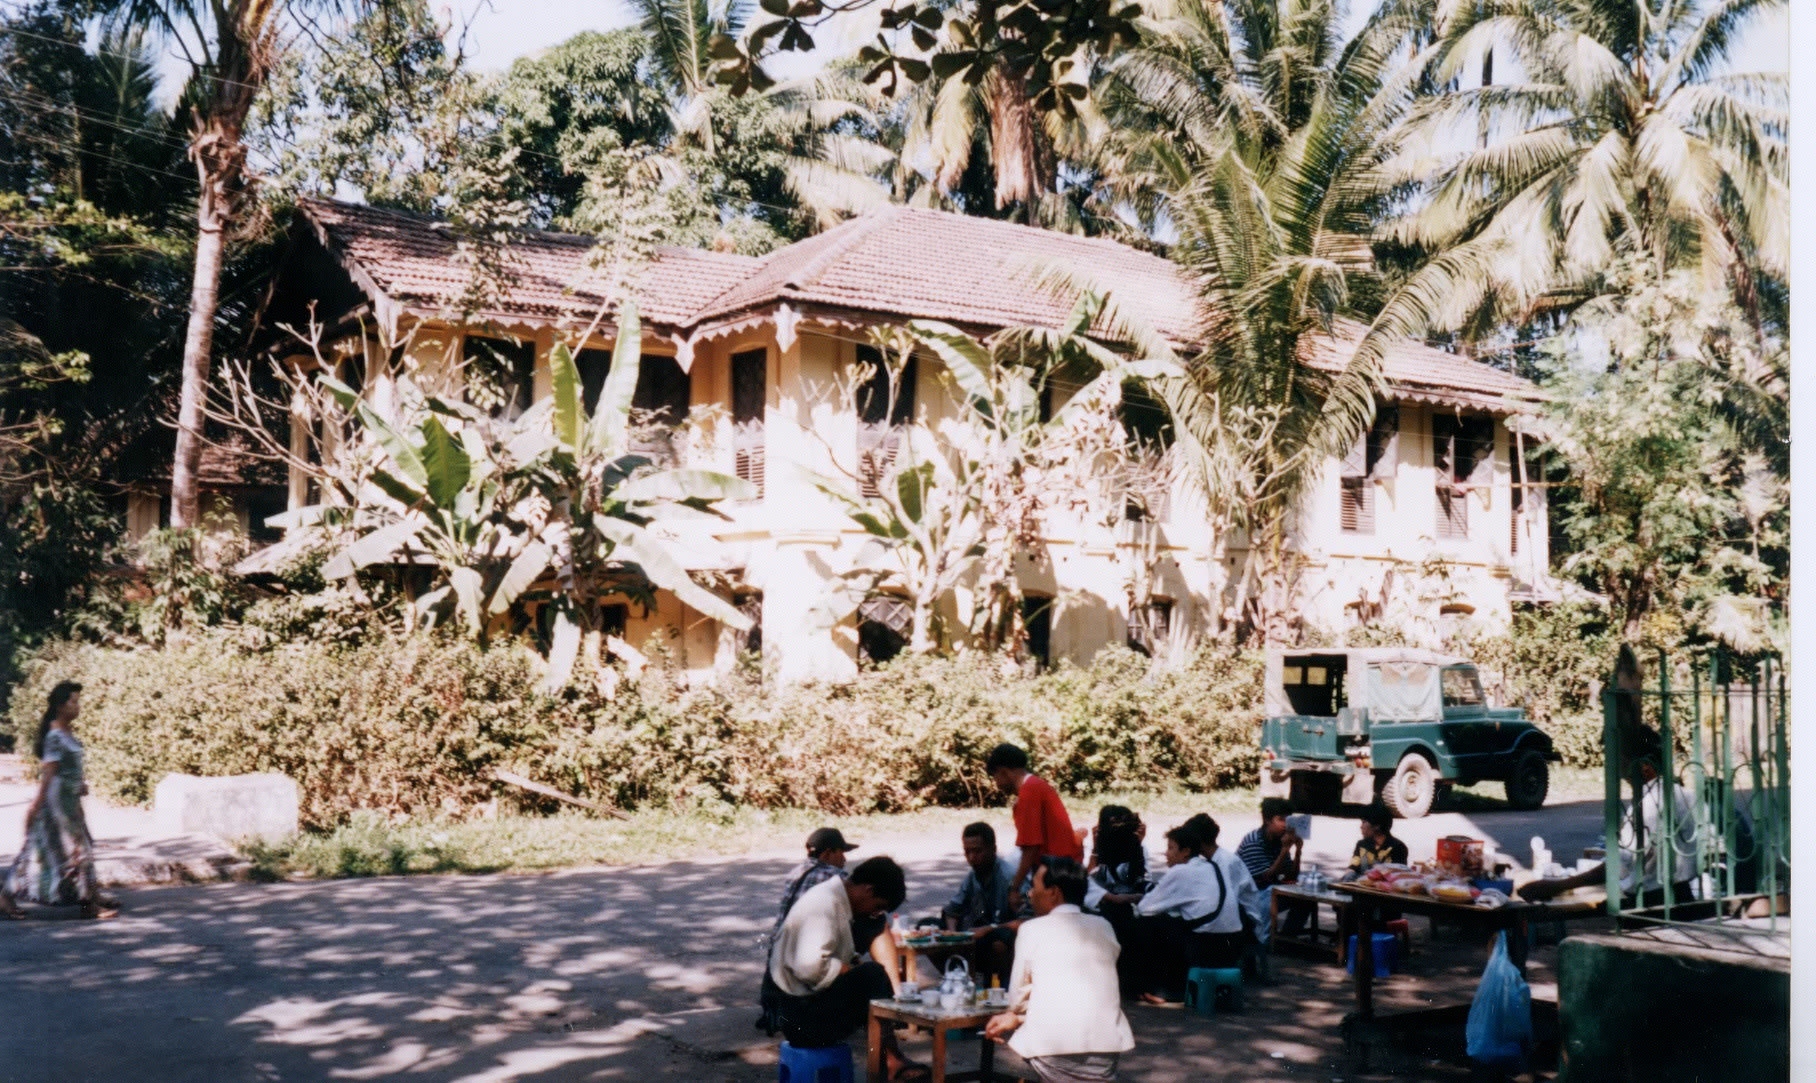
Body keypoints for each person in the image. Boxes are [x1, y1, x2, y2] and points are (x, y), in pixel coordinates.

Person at [770, 856, 927, 1079]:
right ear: (868, 890)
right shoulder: (824, 904)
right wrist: (852, 972)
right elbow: (809, 968)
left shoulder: (837, 898)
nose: (875, 912)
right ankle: (891, 1061)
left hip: (801, 1007)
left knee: (870, 975)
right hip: (798, 1019)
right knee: (872, 976)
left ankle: (890, 1057)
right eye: (878, 906)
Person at [985, 857, 1134, 1082]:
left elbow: (1017, 1000)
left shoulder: (1031, 929)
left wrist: (1015, 1016)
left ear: (1053, 892)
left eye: (1034, 888)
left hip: (1053, 1050)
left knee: (1005, 1052)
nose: (1030, 895)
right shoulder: (1104, 926)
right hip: (1107, 1047)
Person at [1519, 732, 1701, 916]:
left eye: (1620, 761)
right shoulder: (1688, 797)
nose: (1617, 769)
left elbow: (1617, 865)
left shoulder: (1647, 807)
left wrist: (1559, 885)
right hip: (1686, 901)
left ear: (1646, 766)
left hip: (1652, 907)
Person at [759, 827, 900, 1034]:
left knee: (865, 966)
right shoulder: (832, 880)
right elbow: (810, 966)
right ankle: (895, 1000)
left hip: (778, 973)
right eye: (841, 853)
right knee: (876, 934)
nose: (844, 860)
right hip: (797, 1004)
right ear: (827, 854)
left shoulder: (796, 872)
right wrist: (849, 970)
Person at [2, 682, 116, 921]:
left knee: (51, 847)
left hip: (69, 799)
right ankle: (88, 904)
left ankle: (90, 896)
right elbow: (49, 774)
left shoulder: (67, 732)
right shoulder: (54, 735)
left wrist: (79, 785)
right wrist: (37, 805)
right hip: (57, 804)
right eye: (73, 701)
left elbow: (70, 767)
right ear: (60, 706)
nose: (78, 707)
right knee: (74, 848)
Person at [1130, 822, 1256, 1004]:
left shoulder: (1181, 871)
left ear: (1186, 852)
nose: (1166, 853)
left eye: (1171, 848)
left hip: (1206, 945)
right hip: (1234, 942)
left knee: (1146, 924)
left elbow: (1145, 908)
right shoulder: (1212, 866)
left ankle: (1167, 989)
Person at [985, 743, 1083, 914]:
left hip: (1055, 873)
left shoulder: (1029, 793)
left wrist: (1014, 888)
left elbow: (1030, 847)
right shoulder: (1035, 786)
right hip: (1063, 867)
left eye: (996, 778)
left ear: (1004, 772)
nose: (997, 784)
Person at [938, 822, 1031, 983]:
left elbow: (1027, 921)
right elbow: (953, 910)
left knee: (998, 943)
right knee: (932, 927)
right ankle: (959, 978)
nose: (972, 858)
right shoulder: (972, 877)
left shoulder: (1010, 877)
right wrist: (953, 935)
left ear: (993, 850)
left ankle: (999, 985)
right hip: (978, 933)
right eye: (967, 852)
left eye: (977, 851)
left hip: (1003, 934)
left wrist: (989, 929)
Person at [1237, 798, 1307, 943]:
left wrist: (1298, 851)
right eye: (1280, 820)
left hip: (1268, 888)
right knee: (1272, 892)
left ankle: (1287, 938)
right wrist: (1284, 850)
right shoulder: (1254, 841)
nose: (1285, 824)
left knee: (1304, 899)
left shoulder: (1280, 840)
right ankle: (1262, 940)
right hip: (1250, 893)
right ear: (1268, 820)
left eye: (1288, 820)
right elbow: (1265, 877)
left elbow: (1291, 876)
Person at [1343, 803, 1409, 879]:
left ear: (1377, 826)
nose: (1361, 827)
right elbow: (1353, 866)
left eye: (1364, 822)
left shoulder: (1398, 847)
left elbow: (1398, 875)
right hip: (1360, 886)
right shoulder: (1362, 845)